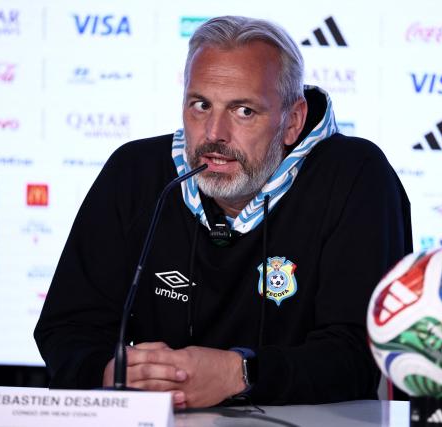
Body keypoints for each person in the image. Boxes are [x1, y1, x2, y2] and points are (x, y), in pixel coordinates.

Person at [34, 15, 412, 408]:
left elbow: (362, 352)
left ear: (292, 121)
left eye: (243, 111)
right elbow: (68, 328)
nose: (214, 133)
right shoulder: (135, 173)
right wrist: (108, 372)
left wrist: (239, 374)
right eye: (200, 105)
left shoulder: (356, 175)